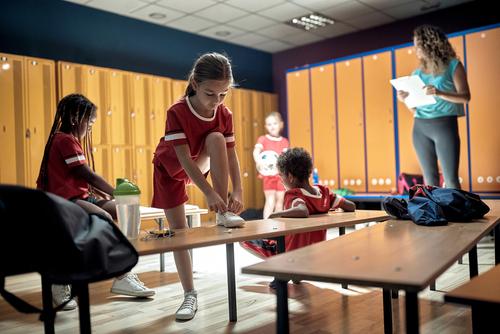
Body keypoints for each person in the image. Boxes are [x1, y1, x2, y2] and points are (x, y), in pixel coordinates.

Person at [37, 94, 155, 310]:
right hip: (62, 200)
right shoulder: (63, 139)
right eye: (89, 123)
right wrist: (117, 192)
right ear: (75, 117)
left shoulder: (69, 139)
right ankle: (116, 276)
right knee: (103, 217)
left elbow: (80, 178)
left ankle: (121, 267)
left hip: (78, 197)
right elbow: (86, 174)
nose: (90, 128)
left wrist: (109, 196)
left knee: (121, 209)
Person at [152, 52, 245, 320]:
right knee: (179, 233)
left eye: (223, 95)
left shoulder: (223, 114)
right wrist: (209, 193)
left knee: (217, 137)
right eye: (210, 94)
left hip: (199, 160)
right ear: (194, 83)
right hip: (170, 170)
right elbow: (182, 160)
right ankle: (189, 294)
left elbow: (231, 154)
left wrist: (236, 191)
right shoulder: (177, 111)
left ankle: (223, 213)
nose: (216, 101)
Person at [241, 148, 355, 288]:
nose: (281, 180)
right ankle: (296, 273)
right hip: (313, 254)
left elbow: (302, 210)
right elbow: (351, 206)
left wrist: (275, 214)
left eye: (281, 176)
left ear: (290, 177)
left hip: (289, 253)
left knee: (244, 239)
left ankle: (282, 272)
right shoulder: (324, 192)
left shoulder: (294, 194)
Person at [397, 25, 471, 189]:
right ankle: (434, 214)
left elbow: (466, 97)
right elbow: (415, 110)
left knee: (451, 179)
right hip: (420, 127)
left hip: (445, 125)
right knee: (429, 181)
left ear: (429, 44)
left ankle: (455, 214)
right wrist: (405, 100)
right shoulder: (417, 73)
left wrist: (439, 92)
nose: (415, 49)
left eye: (418, 45)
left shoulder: (454, 65)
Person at [253, 112, 289, 219]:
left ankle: (278, 227)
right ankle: (267, 225)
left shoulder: (284, 141)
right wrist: (258, 161)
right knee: (270, 200)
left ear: (281, 124)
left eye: (274, 123)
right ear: (265, 126)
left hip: (281, 176)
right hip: (268, 176)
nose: (272, 126)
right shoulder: (263, 139)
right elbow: (256, 151)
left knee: (280, 201)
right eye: (269, 124)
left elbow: (286, 158)